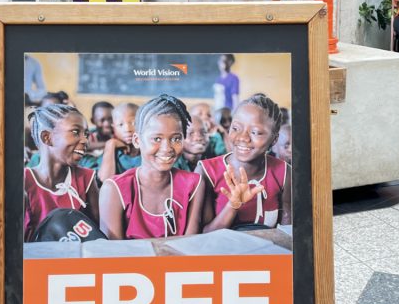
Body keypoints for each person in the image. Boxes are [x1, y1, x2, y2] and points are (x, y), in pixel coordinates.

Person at [99, 94, 205, 240]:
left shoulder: (194, 184)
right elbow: (112, 254)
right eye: (157, 139)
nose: (167, 148)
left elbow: (189, 245)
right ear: (137, 140)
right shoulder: (114, 189)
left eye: (176, 138)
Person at [198, 93, 291, 231]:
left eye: (256, 132)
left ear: (274, 139)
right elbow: (204, 236)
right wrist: (233, 205)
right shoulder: (207, 171)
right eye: (236, 128)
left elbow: (288, 231)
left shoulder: (284, 173)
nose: (243, 137)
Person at [23, 104, 101, 242]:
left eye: (86, 134)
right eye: (76, 132)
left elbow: (99, 233)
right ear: (47, 137)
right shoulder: (23, 181)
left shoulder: (86, 178)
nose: (85, 140)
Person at [98, 102, 141, 183]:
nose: (128, 129)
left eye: (134, 123)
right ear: (114, 127)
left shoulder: (147, 148)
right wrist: (110, 145)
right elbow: (105, 179)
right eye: (121, 125)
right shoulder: (112, 152)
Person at [77, 100, 115, 170]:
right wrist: (110, 144)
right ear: (93, 121)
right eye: (102, 120)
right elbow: (82, 145)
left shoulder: (119, 135)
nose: (107, 124)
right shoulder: (89, 135)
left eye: (110, 119)